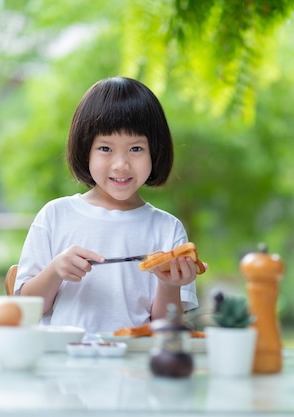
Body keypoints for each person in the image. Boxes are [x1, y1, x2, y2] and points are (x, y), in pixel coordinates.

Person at [14, 76, 202, 335]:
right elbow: (26, 309)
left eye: (136, 149)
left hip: (135, 367)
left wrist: (169, 285)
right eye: (105, 148)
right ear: (85, 150)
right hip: (64, 367)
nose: (121, 164)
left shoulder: (167, 229)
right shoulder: (55, 215)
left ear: (155, 152)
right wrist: (55, 270)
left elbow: (166, 329)